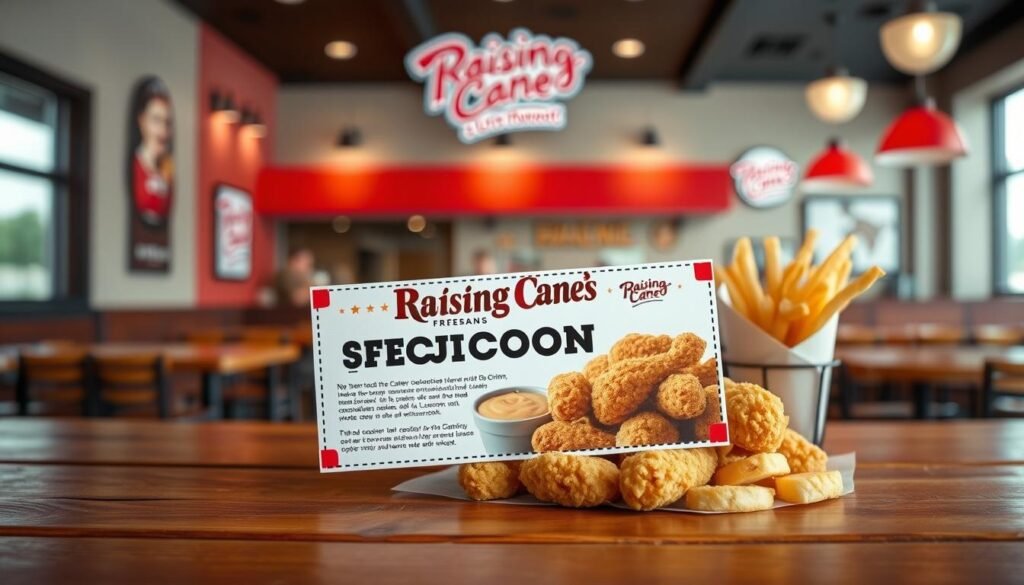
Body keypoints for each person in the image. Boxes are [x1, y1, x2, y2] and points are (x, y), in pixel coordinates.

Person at [130, 77, 174, 226]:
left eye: (166, 122)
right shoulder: (136, 165)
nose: (162, 130)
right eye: (156, 120)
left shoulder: (167, 169)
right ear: (142, 121)